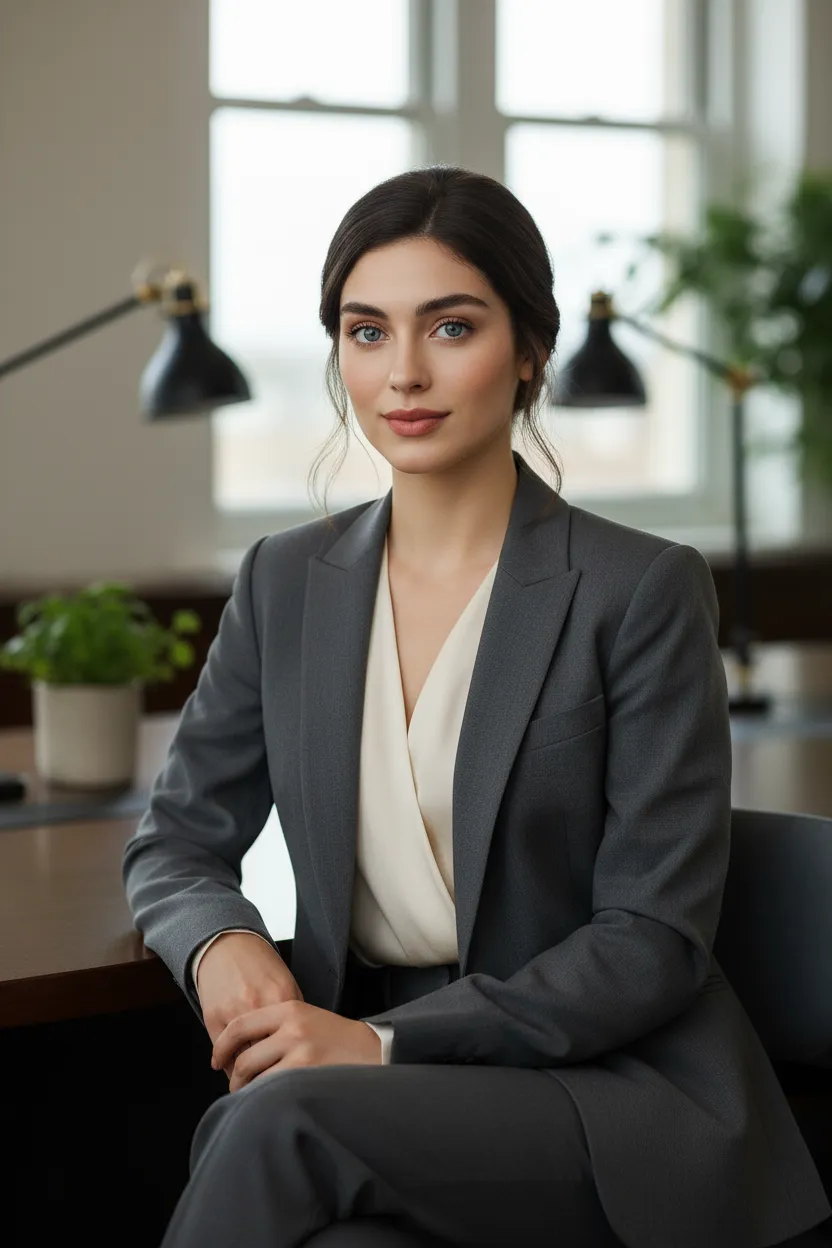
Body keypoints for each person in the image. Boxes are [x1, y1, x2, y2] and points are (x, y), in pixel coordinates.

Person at [122, 166, 832, 1248]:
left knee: (275, 1124)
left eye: (449, 327)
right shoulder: (284, 583)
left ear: (530, 351)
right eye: (366, 333)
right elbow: (174, 840)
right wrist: (219, 941)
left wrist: (384, 1047)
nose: (402, 373)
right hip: (363, 1077)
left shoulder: (637, 588)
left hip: (603, 1090)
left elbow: (649, 941)